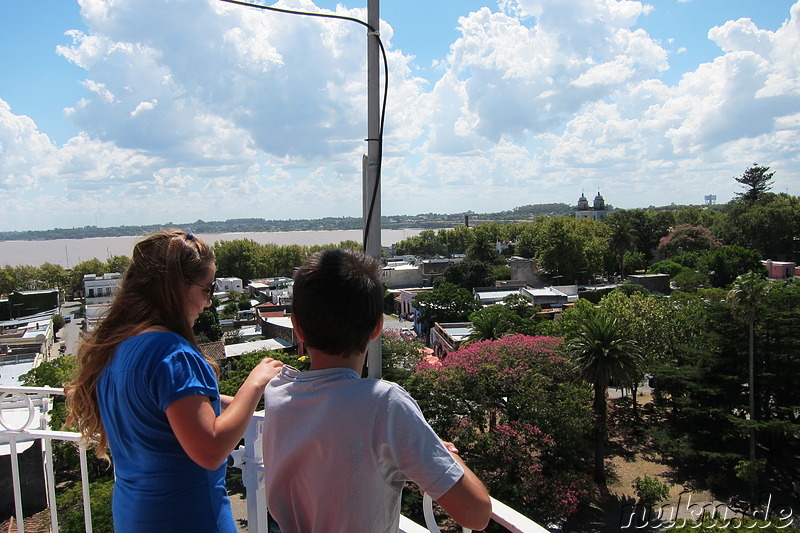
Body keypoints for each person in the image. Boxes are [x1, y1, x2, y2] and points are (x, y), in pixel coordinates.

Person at [65, 230, 283, 533]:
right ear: (176, 288)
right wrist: (255, 383)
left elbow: (171, 408)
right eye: (207, 289)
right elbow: (210, 449)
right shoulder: (171, 354)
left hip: (134, 516)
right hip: (187, 517)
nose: (208, 303)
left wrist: (237, 405)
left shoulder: (117, 349)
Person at [261, 249, 492, 532]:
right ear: (377, 327)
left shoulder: (277, 392)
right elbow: (477, 513)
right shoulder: (384, 403)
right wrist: (447, 455)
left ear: (296, 326)